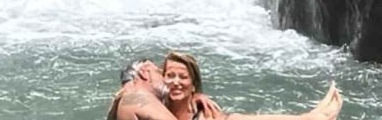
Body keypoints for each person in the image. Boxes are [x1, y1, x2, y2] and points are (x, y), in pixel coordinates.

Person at [114, 54, 342, 120]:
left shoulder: (135, 99)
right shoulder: (138, 96)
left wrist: (193, 96)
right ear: (145, 72)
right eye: (161, 72)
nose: (166, 80)